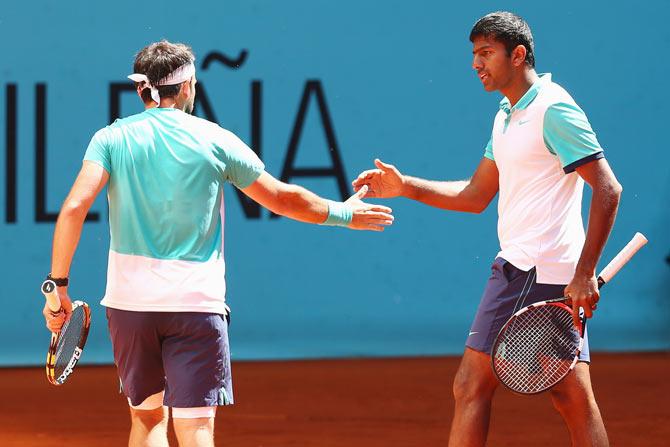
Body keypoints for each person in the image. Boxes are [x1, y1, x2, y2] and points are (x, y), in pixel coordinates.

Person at [41, 40, 393, 447]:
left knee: (148, 419)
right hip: (196, 304)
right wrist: (343, 214)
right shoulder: (215, 138)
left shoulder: (110, 139)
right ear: (188, 86)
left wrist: (59, 285)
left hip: (131, 306)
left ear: (141, 90)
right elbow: (280, 197)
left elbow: (73, 209)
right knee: (196, 429)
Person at [353, 11, 621, 447]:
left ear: (518, 55)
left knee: (471, 385)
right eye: (474, 54)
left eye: (486, 53)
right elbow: (476, 195)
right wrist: (404, 187)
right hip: (538, 271)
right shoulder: (506, 115)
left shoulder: (553, 109)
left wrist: (585, 271)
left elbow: (608, 188)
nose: (476, 64)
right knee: (573, 398)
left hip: (530, 273)